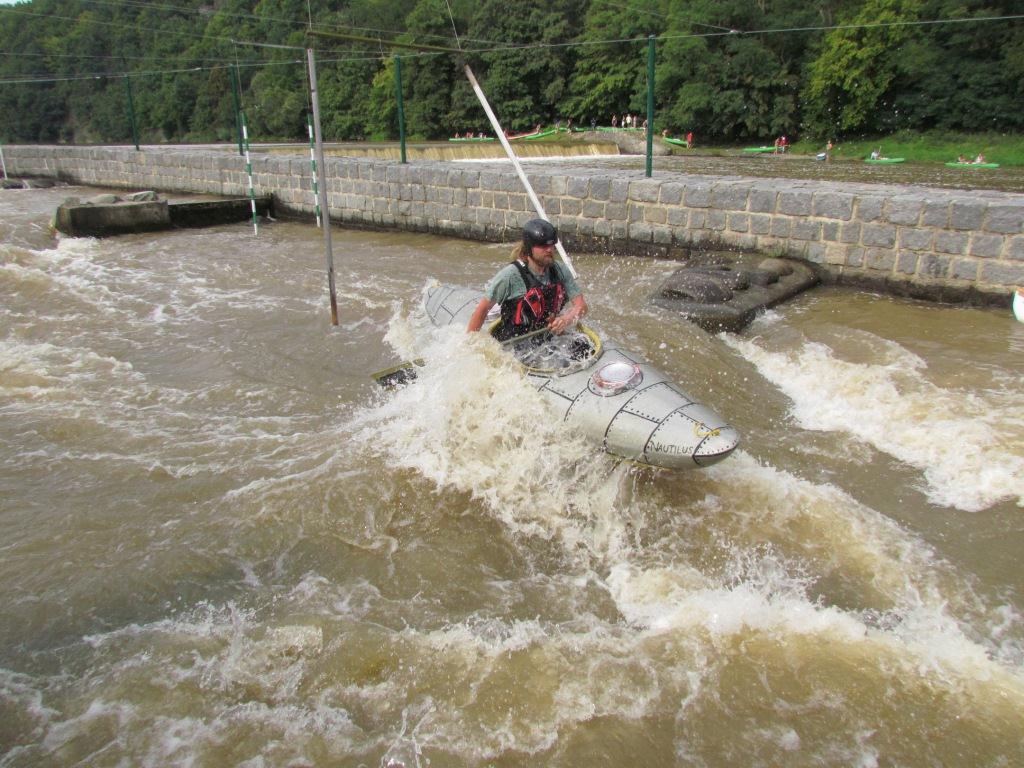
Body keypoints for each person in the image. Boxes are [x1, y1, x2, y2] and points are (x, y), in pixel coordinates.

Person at [467, 219, 587, 340]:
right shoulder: (510, 276)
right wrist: (471, 343)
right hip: (514, 342)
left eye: (551, 245)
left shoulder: (560, 270)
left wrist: (566, 319)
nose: (550, 250)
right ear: (529, 249)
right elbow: (482, 310)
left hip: (547, 338)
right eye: (543, 246)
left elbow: (581, 306)